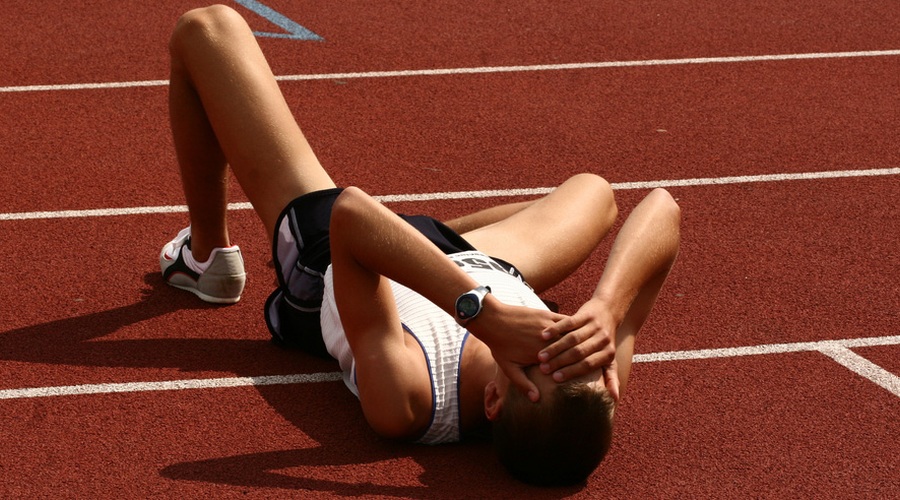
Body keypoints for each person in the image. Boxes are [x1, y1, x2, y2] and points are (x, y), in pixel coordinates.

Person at [159, 5, 680, 486]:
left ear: (495, 399)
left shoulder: (407, 400)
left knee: (207, 29)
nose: (561, 337)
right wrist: (608, 310)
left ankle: (207, 257)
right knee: (596, 193)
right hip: (482, 263)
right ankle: (411, 239)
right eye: (584, 352)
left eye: (544, 358)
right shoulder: (586, 391)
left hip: (341, 259)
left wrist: (487, 318)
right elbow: (664, 210)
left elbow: (353, 216)